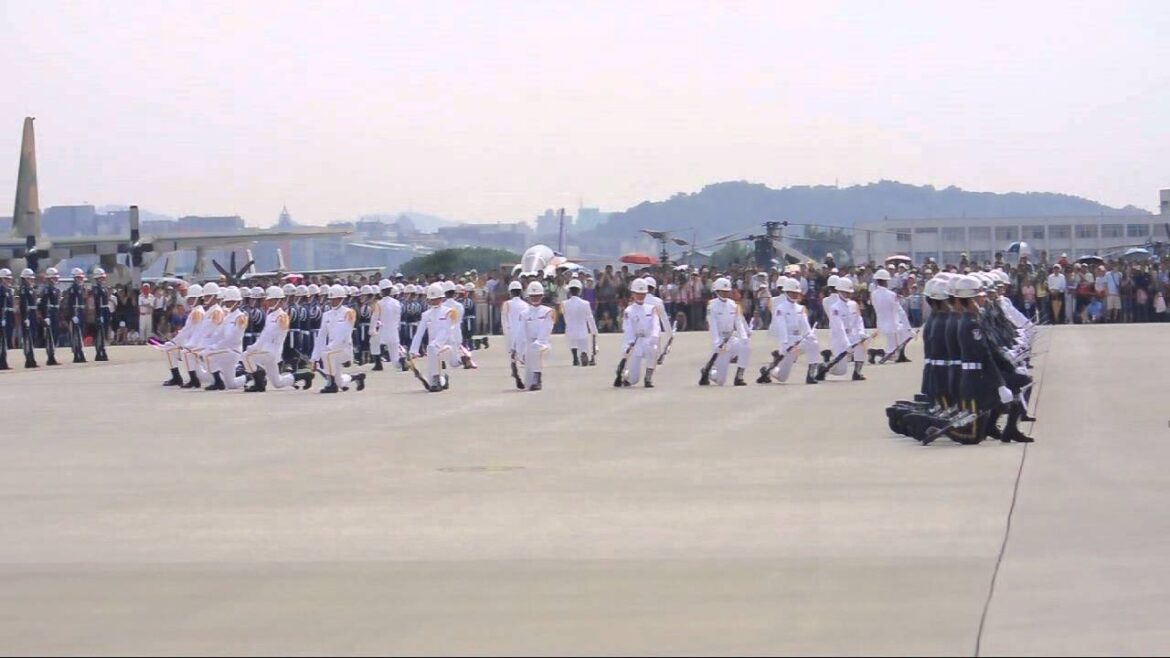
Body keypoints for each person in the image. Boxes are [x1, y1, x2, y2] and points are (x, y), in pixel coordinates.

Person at [242, 285, 307, 392]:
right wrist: (255, 347)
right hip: (266, 351)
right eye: (269, 300)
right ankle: (304, 375)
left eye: (271, 300)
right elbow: (264, 335)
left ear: (279, 300)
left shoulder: (283, 316)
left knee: (246, 356)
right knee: (278, 383)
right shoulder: (270, 316)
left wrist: (254, 347)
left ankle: (259, 383)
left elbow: (271, 335)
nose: (269, 303)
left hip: (272, 352)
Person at [758, 278, 820, 385]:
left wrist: (810, 335)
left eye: (797, 293)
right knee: (782, 378)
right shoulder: (780, 309)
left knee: (813, 343)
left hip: (799, 342)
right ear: (786, 292)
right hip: (788, 343)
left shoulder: (801, 308)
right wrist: (785, 345)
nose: (795, 295)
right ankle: (768, 370)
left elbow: (806, 328)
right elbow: (782, 328)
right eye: (792, 292)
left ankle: (811, 375)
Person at [312, 284, 367, 393]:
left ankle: (331, 385)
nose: (333, 301)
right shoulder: (326, 315)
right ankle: (357, 377)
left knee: (326, 354)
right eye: (331, 299)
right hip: (331, 350)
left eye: (336, 299)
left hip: (344, 349)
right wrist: (314, 358)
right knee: (340, 382)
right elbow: (321, 337)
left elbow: (344, 334)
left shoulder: (349, 312)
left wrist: (329, 348)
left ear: (342, 299)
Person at [700, 276, 749, 386]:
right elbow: (712, 325)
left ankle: (739, 376)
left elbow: (739, 322)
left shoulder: (733, 305)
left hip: (731, 339)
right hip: (721, 342)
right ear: (717, 291)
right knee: (720, 381)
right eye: (723, 291)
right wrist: (717, 342)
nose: (726, 293)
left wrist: (744, 337)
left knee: (746, 345)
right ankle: (708, 372)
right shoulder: (712, 306)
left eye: (727, 291)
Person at [817, 277, 867, 381]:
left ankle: (857, 372)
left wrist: (861, 332)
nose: (847, 294)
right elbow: (839, 328)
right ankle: (825, 367)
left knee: (861, 346)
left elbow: (859, 320)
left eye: (849, 292)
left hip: (852, 336)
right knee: (841, 371)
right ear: (839, 291)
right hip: (839, 340)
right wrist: (846, 344)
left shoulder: (854, 304)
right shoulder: (835, 308)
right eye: (845, 292)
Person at [410, 282, 457, 392]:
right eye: (432, 299)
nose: (434, 301)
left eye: (436, 298)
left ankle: (437, 379)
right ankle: (442, 380)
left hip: (446, 345)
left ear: (441, 298)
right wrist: (413, 350)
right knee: (430, 383)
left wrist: (436, 343)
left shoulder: (448, 311)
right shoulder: (426, 314)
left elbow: (446, 330)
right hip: (432, 349)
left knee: (432, 348)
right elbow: (419, 333)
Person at [203, 286, 249, 391]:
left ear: (238, 302)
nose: (228, 304)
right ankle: (250, 377)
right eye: (227, 302)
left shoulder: (241, 317)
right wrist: (210, 344)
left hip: (233, 350)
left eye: (231, 301)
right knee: (231, 384)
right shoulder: (228, 317)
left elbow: (232, 337)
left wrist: (216, 347)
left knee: (207, 355)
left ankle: (218, 382)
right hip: (225, 350)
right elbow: (219, 333)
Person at [617, 277, 661, 387]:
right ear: (633, 294)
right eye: (638, 293)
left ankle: (648, 378)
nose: (640, 296)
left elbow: (656, 325)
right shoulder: (629, 311)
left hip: (648, 340)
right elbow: (627, 329)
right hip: (635, 343)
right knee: (633, 380)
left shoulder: (651, 308)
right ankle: (624, 375)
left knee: (653, 348)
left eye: (643, 294)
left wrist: (654, 336)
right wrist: (629, 344)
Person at [159, 284, 202, 387]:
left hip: (195, 342)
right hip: (191, 340)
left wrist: (175, 341)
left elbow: (188, 331)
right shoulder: (195, 311)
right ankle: (177, 377)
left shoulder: (197, 312)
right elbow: (187, 330)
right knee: (169, 348)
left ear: (197, 298)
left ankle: (191, 379)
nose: (189, 300)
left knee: (170, 348)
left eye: (192, 298)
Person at [870, 269, 911, 364]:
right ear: (886, 281)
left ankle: (898, 355)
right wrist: (908, 327)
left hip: (880, 324)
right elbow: (900, 311)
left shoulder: (873, 294)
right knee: (907, 334)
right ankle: (878, 353)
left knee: (893, 346)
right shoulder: (891, 294)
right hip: (893, 325)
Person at [520, 281, 554, 391]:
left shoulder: (548, 311)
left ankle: (538, 377)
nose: (535, 298)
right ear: (528, 297)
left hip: (543, 345)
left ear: (542, 296)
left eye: (538, 295)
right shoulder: (524, 314)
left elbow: (546, 330)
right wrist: (520, 350)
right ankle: (533, 376)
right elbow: (521, 333)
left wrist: (537, 342)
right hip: (529, 346)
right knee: (527, 384)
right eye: (532, 296)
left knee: (536, 348)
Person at [560, 278, 597, 366]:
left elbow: (565, 317)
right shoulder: (585, 303)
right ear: (579, 290)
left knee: (572, 343)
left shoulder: (564, 303)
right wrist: (594, 330)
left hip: (570, 329)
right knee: (583, 345)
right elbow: (590, 318)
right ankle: (584, 353)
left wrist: (568, 324)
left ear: (570, 291)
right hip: (582, 329)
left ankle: (575, 358)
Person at [370, 279, 402, 371]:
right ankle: (402, 362)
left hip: (383, 331)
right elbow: (398, 318)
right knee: (395, 361)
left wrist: (372, 330)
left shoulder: (379, 304)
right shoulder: (397, 303)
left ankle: (378, 364)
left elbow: (374, 318)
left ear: (381, 291)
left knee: (373, 342)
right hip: (394, 332)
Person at [37, 267, 62, 366]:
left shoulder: (56, 289)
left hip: (55, 314)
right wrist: (46, 316)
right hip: (50, 314)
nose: (56, 279)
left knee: (55, 336)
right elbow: (45, 304)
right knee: (50, 337)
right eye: (54, 278)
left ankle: (52, 355)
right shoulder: (46, 290)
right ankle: (50, 357)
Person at [17, 269, 38, 368]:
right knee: (27, 338)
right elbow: (24, 304)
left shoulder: (30, 289)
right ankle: (29, 360)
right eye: (29, 278)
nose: (31, 280)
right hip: (28, 315)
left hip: (32, 315)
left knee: (32, 337)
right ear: (25, 279)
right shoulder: (24, 289)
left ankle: (32, 359)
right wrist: (26, 317)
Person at [91, 268, 111, 361]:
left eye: (103, 277)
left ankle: (102, 349)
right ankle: (99, 351)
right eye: (100, 278)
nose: (102, 279)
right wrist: (99, 315)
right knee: (100, 332)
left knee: (104, 332)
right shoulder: (96, 289)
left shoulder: (103, 288)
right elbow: (97, 303)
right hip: (101, 310)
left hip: (105, 310)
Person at [0, 268, 13, 370]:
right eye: (6, 279)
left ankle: (4, 361)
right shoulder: (1, 289)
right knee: (2, 342)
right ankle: (2, 363)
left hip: (8, 316)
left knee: (5, 341)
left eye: (9, 279)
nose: (8, 280)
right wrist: (2, 318)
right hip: (3, 316)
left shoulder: (8, 290)